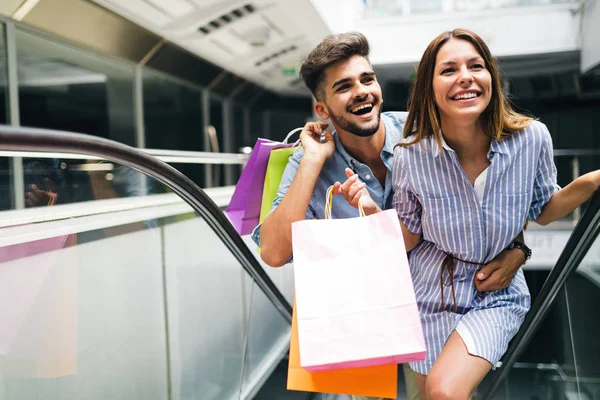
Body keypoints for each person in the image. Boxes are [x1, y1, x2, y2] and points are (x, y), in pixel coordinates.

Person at [253, 32, 529, 400]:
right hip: (361, 320)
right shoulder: (310, 160)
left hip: (437, 310)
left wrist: (519, 247)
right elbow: (273, 252)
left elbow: (499, 190)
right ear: (323, 110)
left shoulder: (422, 133)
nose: (362, 91)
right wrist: (314, 162)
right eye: (344, 86)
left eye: (367, 79)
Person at [337, 28, 599, 399]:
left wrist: (591, 181)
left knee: (444, 390)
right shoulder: (411, 154)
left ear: (490, 76)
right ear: (430, 87)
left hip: (495, 292)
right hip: (428, 293)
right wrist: (368, 207)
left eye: (475, 66)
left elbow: (543, 209)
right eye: (449, 70)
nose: (465, 77)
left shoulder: (532, 139)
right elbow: (410, 234)